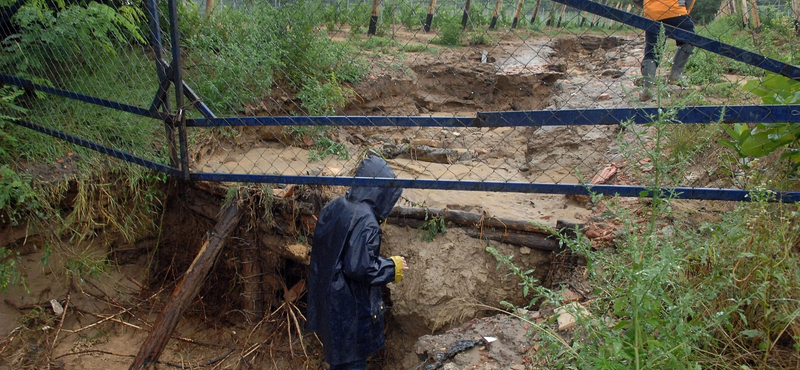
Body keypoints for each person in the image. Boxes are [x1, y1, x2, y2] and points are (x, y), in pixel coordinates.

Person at [306, 155, 409, 370]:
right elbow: (360, 266)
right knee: (352, 362)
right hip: (349, 311)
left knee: (339, 361)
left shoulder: (335, 206)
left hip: (329, 303)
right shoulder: (367, 220)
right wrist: (392, 266)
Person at [634, 0, 696, 101]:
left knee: (652, 51)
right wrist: (685, 10)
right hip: (676, 9)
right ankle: (676, 73)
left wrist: (649, 6)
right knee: (689, 39)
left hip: (652, 14)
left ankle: (647, 90)